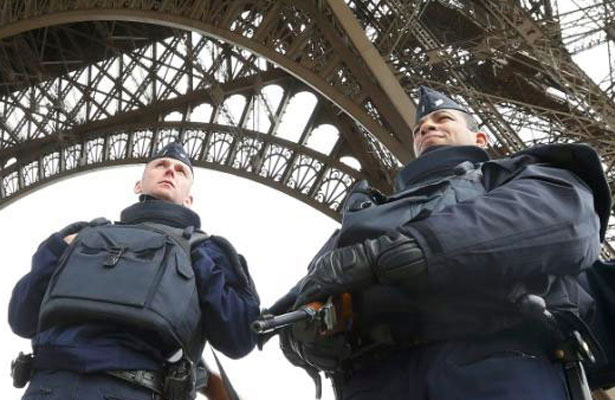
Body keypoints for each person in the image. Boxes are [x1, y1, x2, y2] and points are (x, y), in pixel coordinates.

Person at [273, 86, 611, 400]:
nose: (426, 128)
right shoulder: (366, 214)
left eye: (442, 119)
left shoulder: (512, 173)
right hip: (375, 380)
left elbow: (558, 221)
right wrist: (301, 339)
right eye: (419, 128)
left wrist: (400, 252)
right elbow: (306, 295)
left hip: (494, 362)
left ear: (481, 137)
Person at [9, 143, 260, 400]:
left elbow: (238, 337)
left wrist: (202, 260)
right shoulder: (79, 235)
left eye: (181, 171)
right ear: (138, 186)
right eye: (160, 165)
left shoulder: (205, 251)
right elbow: (21, 317)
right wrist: (55, 249)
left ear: (189, 200)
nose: (170, 172)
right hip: (53, 386)